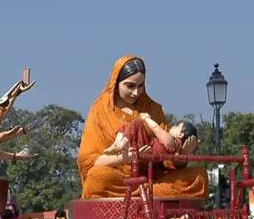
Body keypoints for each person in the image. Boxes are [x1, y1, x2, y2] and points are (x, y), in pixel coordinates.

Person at [77, 56, 207, 199]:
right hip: (119, 179)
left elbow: (167, 157)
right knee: (97, 178)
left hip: (154, 177)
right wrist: (123, 158)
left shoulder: (152, 109)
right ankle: (146, 192)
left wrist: (182, 155)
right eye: (130, 86)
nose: (136, 92)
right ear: (116, 82)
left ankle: (144, 191)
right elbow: (89, 162)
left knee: (199, 176)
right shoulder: (99, 111)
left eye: (140, 86)